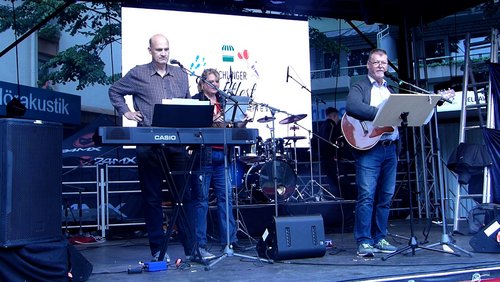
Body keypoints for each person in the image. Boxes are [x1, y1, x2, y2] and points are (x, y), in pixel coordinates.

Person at [108, 34, 193, 262]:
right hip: (149, 143)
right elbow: (114, 90)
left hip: (176, 144)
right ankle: (157, 248)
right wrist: (125, 111)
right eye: (159, 50)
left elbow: (187, 104)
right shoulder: (139, 72)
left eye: (166, 49)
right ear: (150, 51)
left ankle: (191, 247)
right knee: (152, 198)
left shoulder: (181, 74)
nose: (163, 53)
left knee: (184, 196)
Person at [345, 48, 399, 257]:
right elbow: (352, 106)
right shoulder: (360, 85)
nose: (380, 66)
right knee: (367, 196)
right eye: (376, 62)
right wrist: (380, 113)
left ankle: (380, 238)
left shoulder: (391, 89)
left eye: (383, 63)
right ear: (368, 65)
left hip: (390, 149)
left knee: (385, 196)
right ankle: (364, 241)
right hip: (370, 148)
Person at [191, 68, 243, 257]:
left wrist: (241, 122)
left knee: (226, 199)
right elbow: (192, 125)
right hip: (204, 153)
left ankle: (229, 241)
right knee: (201, 201)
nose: (215, 85)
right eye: (211, 81)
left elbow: (232, 126)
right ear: (203, 83)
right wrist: (212, 119)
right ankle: (200, 244)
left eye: (217, 81)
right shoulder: (196, 100)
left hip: (223, 155)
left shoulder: (224, 102)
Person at [318, 107, 341, 198]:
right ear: (334, 116)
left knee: (330, 180)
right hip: (331, 158)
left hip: (324, 158)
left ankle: (332, 198)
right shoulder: (331, 125)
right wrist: (336, 153)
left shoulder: (322, 126)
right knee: (335, 181)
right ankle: (338, 199)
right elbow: (331, 141)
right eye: (337, 116)